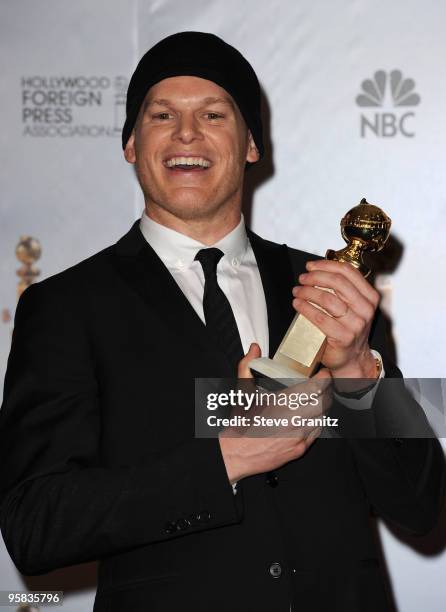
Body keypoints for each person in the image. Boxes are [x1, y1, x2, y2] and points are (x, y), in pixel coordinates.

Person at [0, 31, 444, 612]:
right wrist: (227, 457)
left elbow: (422, 504)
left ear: (252, 145)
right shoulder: (64, 306)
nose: (187, 133)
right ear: (131, 144)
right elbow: (36, 525)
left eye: (213, 114)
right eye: (162, 115)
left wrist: (360, 369)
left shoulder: (333, 293)